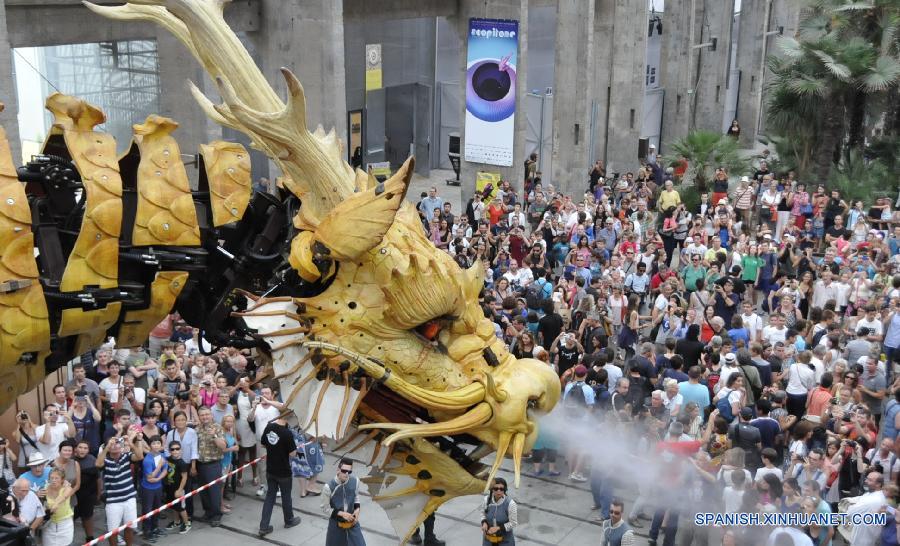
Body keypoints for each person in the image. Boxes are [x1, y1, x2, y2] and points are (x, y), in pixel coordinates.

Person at [97, 427, 144, 546]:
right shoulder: (106, 460)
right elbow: (98, 464)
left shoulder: (126, 456)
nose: (115, 446)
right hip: (113, 501)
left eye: (117, 443)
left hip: (129, 498)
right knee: (113, 531)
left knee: (129, 527)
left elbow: (139, 456)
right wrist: (107, 446)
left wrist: (131, 444)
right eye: (112, 444)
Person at [258, 411, 301, 536]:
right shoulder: (287, 433)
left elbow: (263, 444)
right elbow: (292, 454)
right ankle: (289, 520)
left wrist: (274, 448)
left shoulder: (269, 426)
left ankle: (263, 526)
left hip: (270, 469)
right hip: (283, 471)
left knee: (270, 497)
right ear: (289, 418)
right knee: (286, 496)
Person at [321, 458, 367, 546]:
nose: (346, 474)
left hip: (352, 522)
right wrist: (342, 514)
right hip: (336, 524)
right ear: (338, 470)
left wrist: (357, 510)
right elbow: (325, 508)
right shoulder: (328, 487)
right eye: (344, 471)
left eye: (349, 472)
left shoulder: (355, 481)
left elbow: (356, 497)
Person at [195, 406, 226, 526]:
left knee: (214, 492)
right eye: (202, 415)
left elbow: (223, 446)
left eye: (207, 414)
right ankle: (208, 512)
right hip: (200, 464)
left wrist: (214, 436)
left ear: (211, 415)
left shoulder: (217, 428)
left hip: (213, 464)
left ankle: (217, 515)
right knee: (203, 491)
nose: (205, 417)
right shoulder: (197, 429)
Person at [140, 435, 168, 542]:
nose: (156, 445)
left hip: (158, 486)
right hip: (148, 489)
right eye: (153, 443)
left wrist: (158, 479)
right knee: (147, 510)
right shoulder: (147, 460)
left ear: (161, 445)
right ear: (150, 445)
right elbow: (149, 478)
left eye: (158, 443)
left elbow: (165, 470)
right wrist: (159, 466)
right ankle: (146, 531)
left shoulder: (162, 455)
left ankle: (155, 528)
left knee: (157, 508)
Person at [163, 441, 191, 534]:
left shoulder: (182, 463)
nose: (175, 451)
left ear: (181, 450)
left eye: (177, 449)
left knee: (181, 507)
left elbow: (184, 477)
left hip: (179, 489)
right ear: (170, 451)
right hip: (170, 487)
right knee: (174, 506)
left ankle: (187, 523)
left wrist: (179, 490)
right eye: (172, 449)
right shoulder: (169, 459)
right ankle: (177, 521)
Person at [73, 440, 99, 542]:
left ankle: (90, 538)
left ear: (88, 450)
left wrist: (98, 493)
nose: (82, 450)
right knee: (71, 518)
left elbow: (98, 478)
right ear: (76, 449)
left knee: (87, 517)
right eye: (80, 447)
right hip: (73, 494)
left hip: (89, 495)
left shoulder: (92, 459)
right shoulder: (71, 460)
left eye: (85, 448)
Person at [42, 467, 75, 546]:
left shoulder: (67, 488)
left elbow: (65, 496)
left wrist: (56, 503)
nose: (53, 480)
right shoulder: (45, 488)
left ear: (62, 479)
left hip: (65, 525)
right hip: (49, 525)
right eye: (52, 478)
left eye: (57, 478)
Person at [480, 477, 517, 545]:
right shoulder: (486, 500)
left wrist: (498, 528)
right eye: (496, 489)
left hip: (505, 541)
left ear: (505, 490)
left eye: (501, 489)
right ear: (492, 489)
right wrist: (484, 522)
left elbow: (513, 523)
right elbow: (482, 514)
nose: (498, 491)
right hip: (488, 540)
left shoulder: (510, 504)